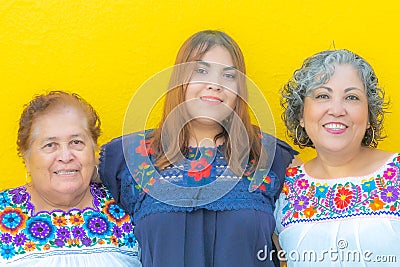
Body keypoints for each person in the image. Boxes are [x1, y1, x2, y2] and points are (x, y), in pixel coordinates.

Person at [100, 30, 298, 267]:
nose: (214, 85)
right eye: (200, 71)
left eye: (228, 75)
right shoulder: (129, 158)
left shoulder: (269, 156)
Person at [274, 49, 400, 266]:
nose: (337, 109)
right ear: (301, 115)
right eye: (323, 95)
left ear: (369, 116)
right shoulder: (285, 189)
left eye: (352, 97)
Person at [0, 91, 141, 266]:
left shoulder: (128, 205)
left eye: (76, 142)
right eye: (50, 145)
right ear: (26, 157)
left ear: (94, 149)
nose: (66, 156)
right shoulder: (3, 214)